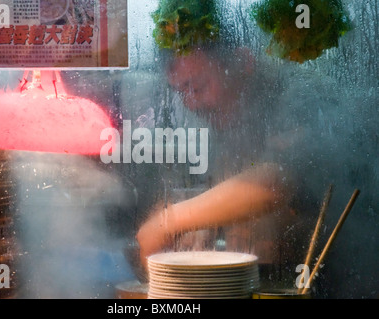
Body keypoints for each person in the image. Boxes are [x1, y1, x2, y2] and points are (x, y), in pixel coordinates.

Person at [135, 40, 345, 287]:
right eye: (180, 91)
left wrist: (167, 221)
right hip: (271, 277)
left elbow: (274, 183)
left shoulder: (301, 93)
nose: (190, 103)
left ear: (243, 61)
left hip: (339, 278)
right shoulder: (228, 116)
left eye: (198, 86)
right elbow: (220, 186)